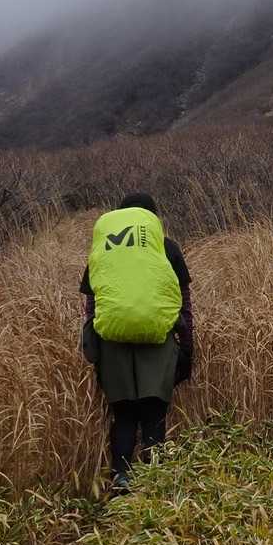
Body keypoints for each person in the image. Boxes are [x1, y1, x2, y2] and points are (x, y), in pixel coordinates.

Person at [79, 191, 194, 492]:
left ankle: (121, 477)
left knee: (124, 412)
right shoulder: (166, 247)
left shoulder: (105, 249)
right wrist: (187, 348)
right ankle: (153, 483)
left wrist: (94, 344)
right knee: (154, 410)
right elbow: (183, 304)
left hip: (112, 341)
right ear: (153, 219)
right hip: (158, 339)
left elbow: (92, 304)